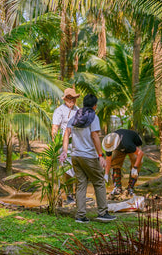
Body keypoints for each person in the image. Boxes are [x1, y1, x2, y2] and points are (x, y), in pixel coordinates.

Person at [59, 94, 116, 223]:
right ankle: (102, 213)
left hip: (75, 156)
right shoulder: (93, 118)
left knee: (81, 184)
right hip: (89, 156)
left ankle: (80, 216)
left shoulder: (74, 117)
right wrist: (100, 155)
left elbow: (66, 133)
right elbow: (95, 136)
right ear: (94, 106)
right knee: (99, 182)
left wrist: (65, 151)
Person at [52, 88, 80, 204]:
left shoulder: (78, 110)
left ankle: (77, 194)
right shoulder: (59, 111)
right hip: (64, 144)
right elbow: (55, 128)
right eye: (69, 98)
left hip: (77, 143)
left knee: (78, 168)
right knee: (67, 170)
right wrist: (55, 145)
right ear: (65, 99)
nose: (71, 100)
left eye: (73, 98)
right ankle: (69, 195)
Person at [102, 129, 144, 198]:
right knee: (114, 162)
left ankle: (130, 188)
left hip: (133, 145)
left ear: (116, 144)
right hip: (120, 147)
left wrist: (135, 167)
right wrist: (106, 174)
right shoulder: (109, 143)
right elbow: (108, 160)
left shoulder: (126, 143)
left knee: (137, 162)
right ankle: (118, 188)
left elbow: (140, 153)